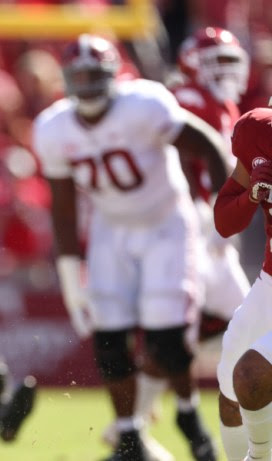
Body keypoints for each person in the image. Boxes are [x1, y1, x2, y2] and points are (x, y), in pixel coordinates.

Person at [32, 34, 229, 461]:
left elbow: (211, 147)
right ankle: (128, 436)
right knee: (109, 337)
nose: (86, 85)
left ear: (112, 77)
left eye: (94, 75)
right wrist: (71, 277)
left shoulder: (144, 104)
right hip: (111, 229)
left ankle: (187, 415)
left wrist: (219, 216)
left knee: (166, 335)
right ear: (66, 79)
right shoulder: (54, 127)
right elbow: (63, 208)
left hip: (166, 222)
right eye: (77, 76)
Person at [103, 26, 252, 461]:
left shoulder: (220, 103)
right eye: (216, 62)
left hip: (209, 231)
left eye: (230, 62)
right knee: (225, 329)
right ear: (191, 64)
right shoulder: (186, 100)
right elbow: (175, 158)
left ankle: (127, 429)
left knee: (218, 331)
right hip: (189, 229)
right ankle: (137, 429)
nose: (225, 71)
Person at [214, 107, 272, 461]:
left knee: (251, 374)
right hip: (270, 283)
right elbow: (223, 220)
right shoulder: (259, 131)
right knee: (230, 390)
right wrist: (251, 195)